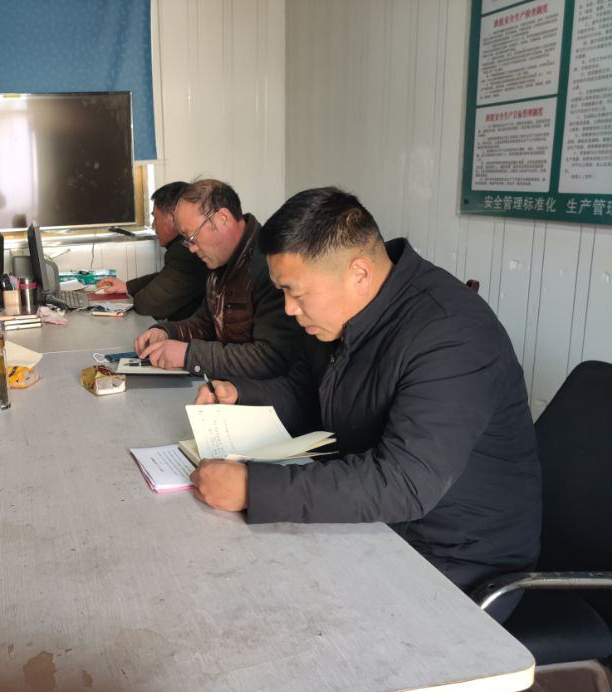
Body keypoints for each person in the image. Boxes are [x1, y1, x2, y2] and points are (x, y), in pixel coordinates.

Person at [191, 187, 541, 615]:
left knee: (278, 610)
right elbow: (307, 393)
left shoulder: (452, 333)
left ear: (358, 273)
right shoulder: (338, 315)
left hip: (457, 561)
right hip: (382, 526)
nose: (288, 309)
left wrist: (253, 488)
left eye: (296, 293)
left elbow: (405, 482)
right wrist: (241, 394)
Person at [133, 179, 304, 379]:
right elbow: (206, 322)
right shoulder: (218, 262)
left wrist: (189, 355)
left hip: (258, 391)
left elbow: (270, 358)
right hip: (226, 383)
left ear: (222, 219)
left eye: (192, 237)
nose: (192, 248)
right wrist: (167, 332)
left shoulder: (270, 266)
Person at [95, 181, 207, 320]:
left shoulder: (185, 252)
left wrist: (134, 296)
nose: (154, 225)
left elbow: (147, 305)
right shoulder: (182, 249)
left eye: (155, 217)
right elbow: (166, 276)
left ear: (173, 218)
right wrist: (128, 287)